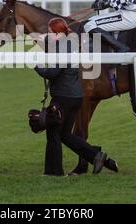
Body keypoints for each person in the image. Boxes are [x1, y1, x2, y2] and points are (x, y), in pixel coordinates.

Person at [34, 17, 118, 176]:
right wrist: (43, 41)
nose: (47, 34)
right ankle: (97, 156)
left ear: (57, 34)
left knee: (53, 133)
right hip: (75, 97)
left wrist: (37, 67)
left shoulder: (61, 48)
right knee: (65, 135)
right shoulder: (70, 44)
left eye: (50, 31)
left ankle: (54, 172)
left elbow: (52, 73)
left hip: (63, 97)